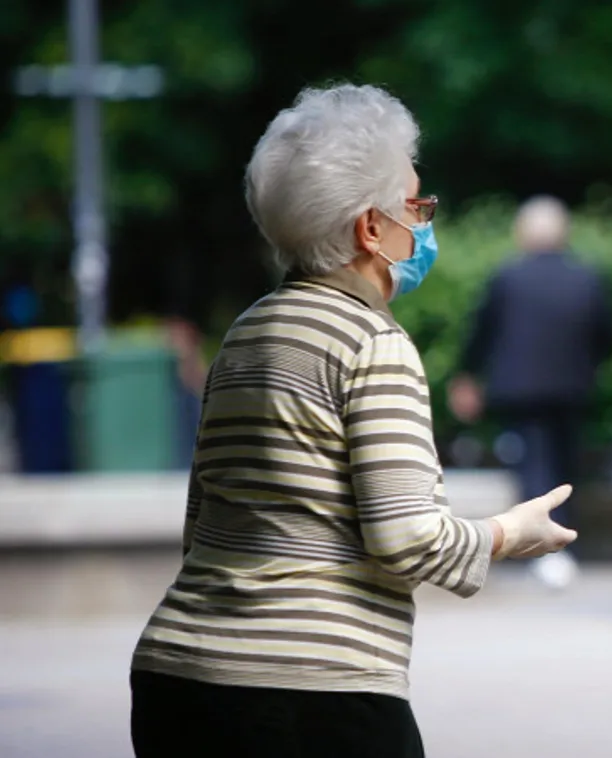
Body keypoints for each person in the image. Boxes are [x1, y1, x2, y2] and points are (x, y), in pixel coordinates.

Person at [128, 84, 577, 758]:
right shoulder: (373, 343)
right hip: (313, 693)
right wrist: (507, 534)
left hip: (177, 674)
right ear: (372, 228)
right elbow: (405, 539)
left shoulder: (247, 331)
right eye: (416, 206)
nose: (424, 225)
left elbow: (203, 518)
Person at [448, 195, 612, 590]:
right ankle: (563, 548)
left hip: (518, 390)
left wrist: (467, 376)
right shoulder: (587, 276)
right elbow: (608, 334)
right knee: (565, 467)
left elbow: (481, 333)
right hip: (573, 387)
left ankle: (542, 550)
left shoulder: (507, 276)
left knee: (533, 467)